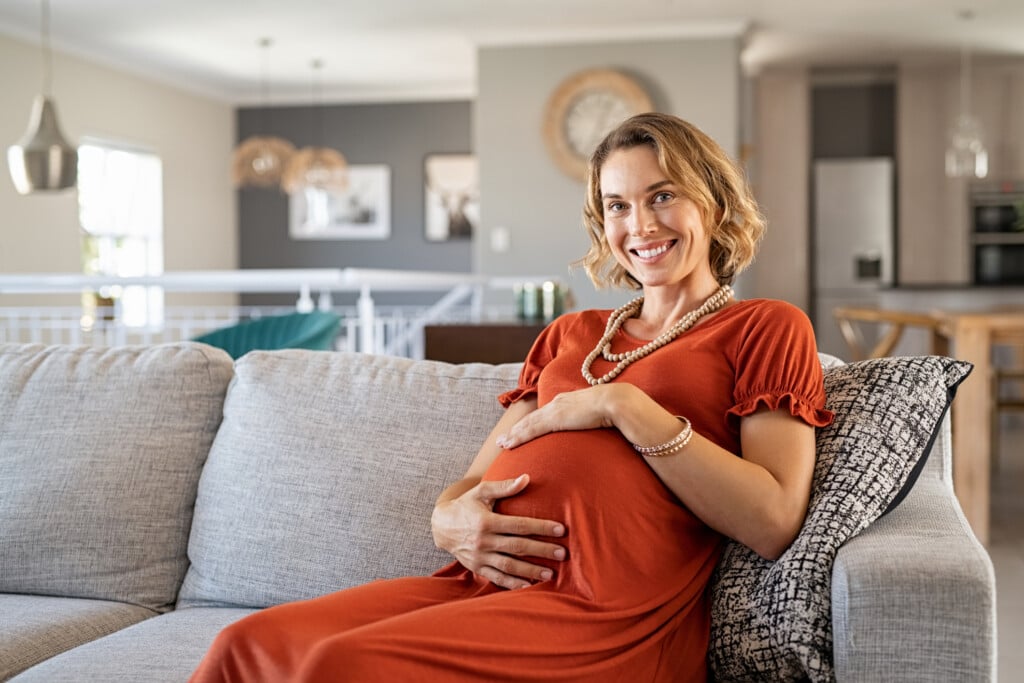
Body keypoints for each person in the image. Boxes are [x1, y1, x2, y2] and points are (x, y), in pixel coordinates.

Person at [189, 112, 833, 683]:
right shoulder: (569, 334)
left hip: (606, 611)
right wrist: (449, 522)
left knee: (339, 669)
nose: (640, 225)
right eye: (616, 205)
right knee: (247, 644)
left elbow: (772, 520)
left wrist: (622, 406)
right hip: (477, 584)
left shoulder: (765, 327)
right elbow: (472, 480)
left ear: (713, 203)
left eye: (662, 196)